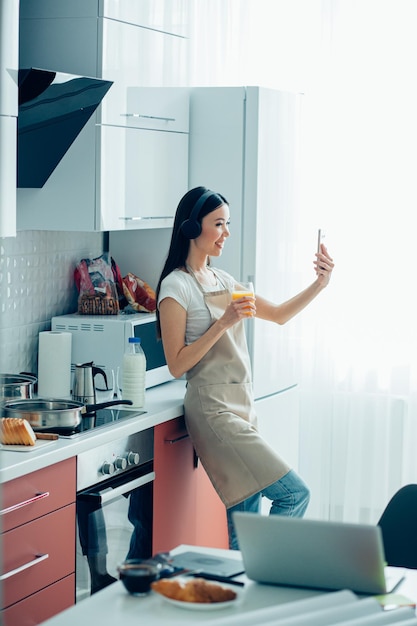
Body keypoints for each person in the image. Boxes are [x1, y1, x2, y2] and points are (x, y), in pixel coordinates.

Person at [155, 186, 334, 550]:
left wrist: (320, 282)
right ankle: (267, 567)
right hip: (213, 411)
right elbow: (177, 364)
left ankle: (244, 597)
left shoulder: (224, 281)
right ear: (192, 228)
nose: (227, 233)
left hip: (242, 405)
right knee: (295, 494)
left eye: (228, 224)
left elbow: (280, 315)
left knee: (246, 521)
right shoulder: (176, 287)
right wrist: (222, 323)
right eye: (219, 224)